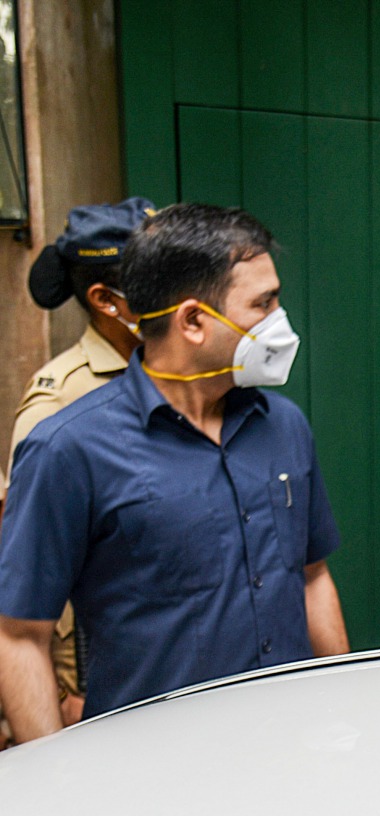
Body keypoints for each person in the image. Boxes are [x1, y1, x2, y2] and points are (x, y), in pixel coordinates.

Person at [0, 203, 349, 744]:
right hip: (151, 769)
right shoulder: (68, 448)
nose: (280, 321)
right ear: (191, 320)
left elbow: (312, 577)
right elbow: (20, 635)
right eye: (264, 303)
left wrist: (343, 713)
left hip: (290, 746)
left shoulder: (283, 426)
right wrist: (55, 786)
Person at [0, 197, 154, 744]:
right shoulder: (58, 402)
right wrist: (64, 686)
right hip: (95, 682)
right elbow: (34, 564)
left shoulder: (173, 377)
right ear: (106, 300)